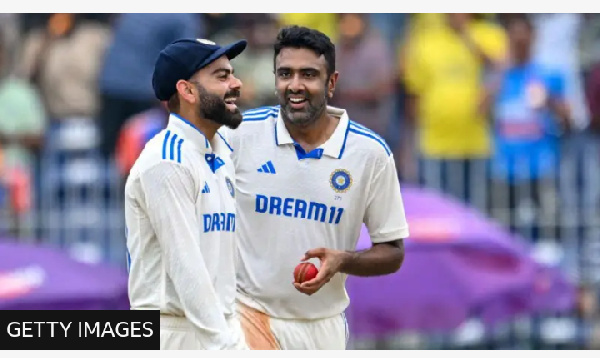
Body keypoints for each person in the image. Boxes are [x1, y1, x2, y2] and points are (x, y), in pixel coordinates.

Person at [220, 26, 409, 350]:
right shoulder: (239, 135)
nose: (295, 85)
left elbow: (392, 252)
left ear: (331, 82)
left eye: (308, 74)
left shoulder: (370, 154)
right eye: (285, 74)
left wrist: (343, 260)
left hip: (323, 329)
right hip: (247, 316)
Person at [124, 37, 248, 350]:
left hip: (215, 327)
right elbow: (186, 267)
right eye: (222, 76)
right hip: (172, 333)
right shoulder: (166, 160)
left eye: (231, 73)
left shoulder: (221, 153)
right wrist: (228, 346)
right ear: (187, 90)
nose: (236, 83)